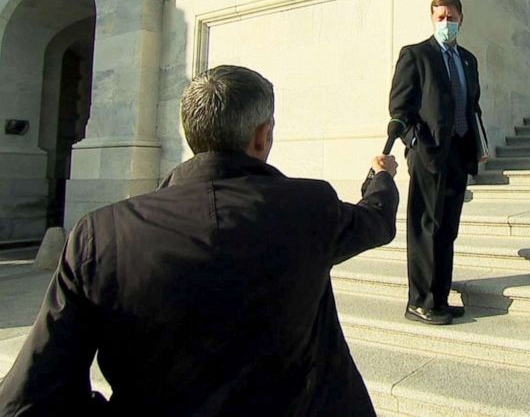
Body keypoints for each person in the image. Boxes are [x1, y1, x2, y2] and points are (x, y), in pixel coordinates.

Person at [0, 65, 399, 416]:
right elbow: (376, 221)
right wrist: (380, 176)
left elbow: (29, 398)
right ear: (262, 137)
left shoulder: (100, 233)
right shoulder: (309, 207)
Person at [389, 0, 488, 326]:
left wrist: (477, 143)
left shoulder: (469, 60)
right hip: (428, 154)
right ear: (432, 19)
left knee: (447, 229)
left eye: (451, 17)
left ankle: (440, 298)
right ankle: (419, 301)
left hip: (459, 152)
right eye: (440, 17)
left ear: (462, 19)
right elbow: (400, 107)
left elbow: (471, 104)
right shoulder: (416, 55)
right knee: (425, 227)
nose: (446, 22)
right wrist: (414, 140)